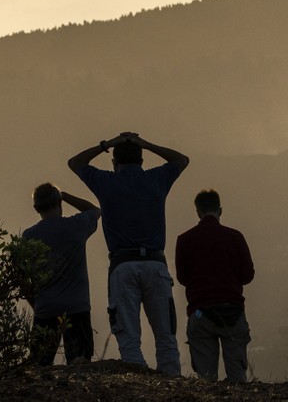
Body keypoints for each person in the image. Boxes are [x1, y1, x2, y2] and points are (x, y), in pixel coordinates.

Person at [68, 132, 189, 375]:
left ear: (115, 163)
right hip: (155, 264)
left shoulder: (107, 182)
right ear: (142, 161)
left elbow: (75, 163)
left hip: (123, 266)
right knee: (166, 337)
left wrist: (106, 144)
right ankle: (172, 385)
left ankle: (140, 386)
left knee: (129, 339)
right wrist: (147, 143)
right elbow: (181, 160)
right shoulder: (156, 179)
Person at [175, 189, 254, 382]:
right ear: (220, 210)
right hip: (233, 313)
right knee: (237, 377)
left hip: (201, 313)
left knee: (206, 381)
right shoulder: (235, 237)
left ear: (197, 212)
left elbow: (183, 278)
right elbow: (247, 276)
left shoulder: (185, 240)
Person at [22, 183, 101, 366]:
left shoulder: (29, 236)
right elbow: (95, 210)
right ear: (59, 202)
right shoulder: (76, 226)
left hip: (46, 308)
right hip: (76, 307)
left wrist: (37, 304)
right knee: (79, 361)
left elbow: (21, 279)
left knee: (39, 363)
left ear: (36, 208)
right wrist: (65, 195)